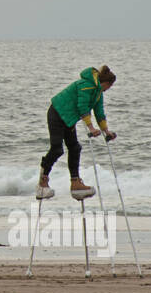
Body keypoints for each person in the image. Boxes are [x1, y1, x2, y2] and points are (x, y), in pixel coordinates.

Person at [37, 65, 116, 201]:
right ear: (106, 83)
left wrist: (107, 132)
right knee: (57, 149)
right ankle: (42, 182)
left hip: (69, 119)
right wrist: (91, 128)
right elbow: (82, 106)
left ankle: (75, 184)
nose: (108, 90)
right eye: (110, 86)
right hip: (57, 113)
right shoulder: (87, 85)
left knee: (75, 148)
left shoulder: (98, 92)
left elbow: (99, 113)